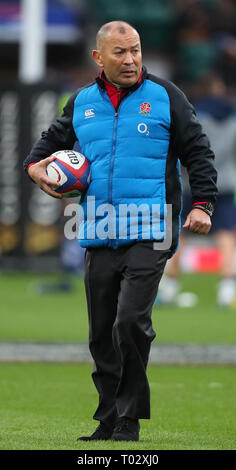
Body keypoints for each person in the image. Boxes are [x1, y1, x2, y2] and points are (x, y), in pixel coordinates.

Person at [23, 21, 217, 442]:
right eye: (120, 52)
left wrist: (203, 204)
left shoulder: (166, 97)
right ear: (99, 58)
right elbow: (42, 150)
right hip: (98, 230)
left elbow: (198, 152)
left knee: (130, 322)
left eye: (136, 50)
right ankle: (108, 416)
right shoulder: (81, 103)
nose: (130, 60)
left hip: (152, 228)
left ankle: (128, 420)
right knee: (100, 333)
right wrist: (37, 171)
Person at [157, 74, 236, 307]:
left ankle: (170, 287)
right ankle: (227, 289)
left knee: (182, 233)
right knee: (226, 236)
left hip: (196, 182)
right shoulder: (233, 118)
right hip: (226, 183)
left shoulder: (194, 115)